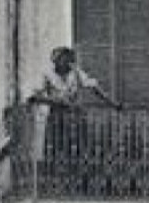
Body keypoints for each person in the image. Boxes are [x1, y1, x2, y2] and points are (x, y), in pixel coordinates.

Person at [28, 46, 118, 189]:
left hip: (75, 116)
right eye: (59, 60)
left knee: (79, 147)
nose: (65, 63)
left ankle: (77, 181)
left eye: (67, 60)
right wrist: (56, 102)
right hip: (57, 117)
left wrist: (112, 103)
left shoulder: (76, 73)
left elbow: (93, 87)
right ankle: (55, 182)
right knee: (55, 148)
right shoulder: (48, 75)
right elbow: (35, 97)